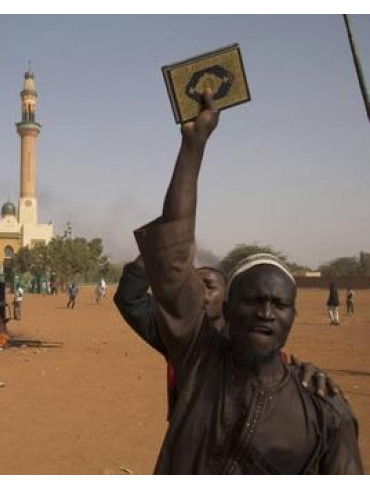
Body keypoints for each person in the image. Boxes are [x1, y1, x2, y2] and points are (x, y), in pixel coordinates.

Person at [130, 88, 362, 474]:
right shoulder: (199, 359)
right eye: (252, 300)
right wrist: (194, 145)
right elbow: (173, 253)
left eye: (279, 304)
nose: (265, 313)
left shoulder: (325, 411)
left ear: (293, 316)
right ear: (228, 307)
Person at [115, 256, 342, 419]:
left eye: (209, 286)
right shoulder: (180, 342)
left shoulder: (258, 346)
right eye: (193, 286)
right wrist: (153, 250)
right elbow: (130, 299)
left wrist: (306, 378)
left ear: (228, 299)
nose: (199, 294)